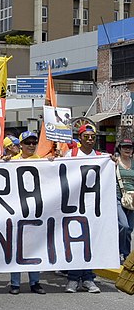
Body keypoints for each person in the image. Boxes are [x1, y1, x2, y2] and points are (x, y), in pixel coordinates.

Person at [64, 124, 102, 294]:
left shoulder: (101, 157)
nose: (89, 139)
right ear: (80, 138)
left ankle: (88, 278)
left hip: (92, 206)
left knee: (90, 242)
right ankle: (73, 279)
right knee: (76, 242)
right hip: (73, 205)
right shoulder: (71, 154)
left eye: (92, 137)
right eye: (86, 136)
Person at [116, 139, 134, 262]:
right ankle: (119, 252)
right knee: (124, 225)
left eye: (129, 147)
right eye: (124, 147)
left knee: (129, 229)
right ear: (120, 149)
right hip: (118, 197)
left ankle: (126, 254)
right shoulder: (114, 162)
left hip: (132, 200)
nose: (127, 149)